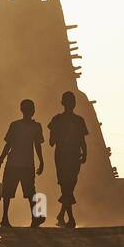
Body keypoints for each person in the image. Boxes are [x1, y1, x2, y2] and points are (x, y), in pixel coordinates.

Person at [0, 99, 46, 228]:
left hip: (16, 164)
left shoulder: (17, 125)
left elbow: (8, 145)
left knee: (11, 193)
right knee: (27, 192)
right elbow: (36, 146)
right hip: (22, 164)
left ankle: (7, 218)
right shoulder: (32, 126)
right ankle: (32, 217)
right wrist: (41, 161)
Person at [47, 91, 88, 228]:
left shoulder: (77, 120)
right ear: (64, 103)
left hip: (73, 155)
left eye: (72, 101)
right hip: (63, 156)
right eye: (69, 101)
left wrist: (85, 152)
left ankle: (62, 215)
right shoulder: (57, 120)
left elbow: (82, 140)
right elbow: (52, 141)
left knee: (69, 186)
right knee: (66, 185)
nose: (71, 104)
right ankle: (70, 218)